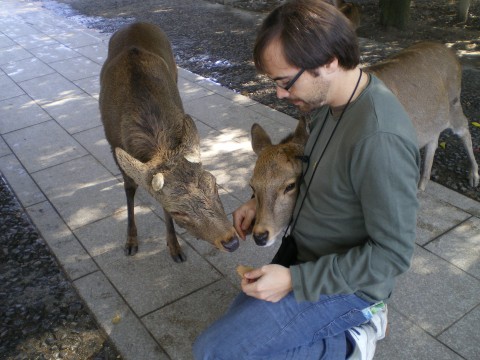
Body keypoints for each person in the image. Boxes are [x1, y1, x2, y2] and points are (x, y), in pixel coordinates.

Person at [193, 1, 420, 359]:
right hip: (304, 255)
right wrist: (260, 202)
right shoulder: (331, 105)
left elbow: (393, 255)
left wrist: (295, 281)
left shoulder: (379, 139)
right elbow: (317, 173)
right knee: (236, 332)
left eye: (285, 81)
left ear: (329, 61)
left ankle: (355, 337)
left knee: (215, 351)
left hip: (350, 286)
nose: (280, 94)